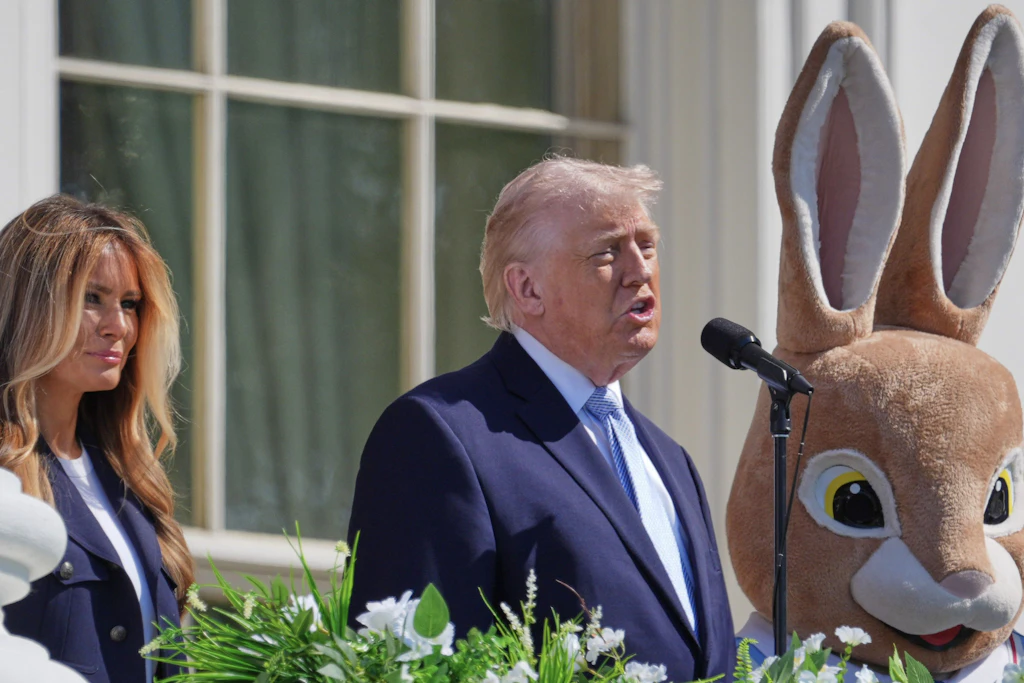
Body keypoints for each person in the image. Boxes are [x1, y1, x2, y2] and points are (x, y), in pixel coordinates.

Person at [348, 157, 734, 680]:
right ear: (526, 289)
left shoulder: (671, 462)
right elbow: (415, 665)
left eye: (647, 245)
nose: (640, 270)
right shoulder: (443, 434)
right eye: (606, 251)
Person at [1, 195, 193, 682]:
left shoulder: (131, 483)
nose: (120, 327)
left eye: (129, 304)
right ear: (27, 302)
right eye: (93, 298)